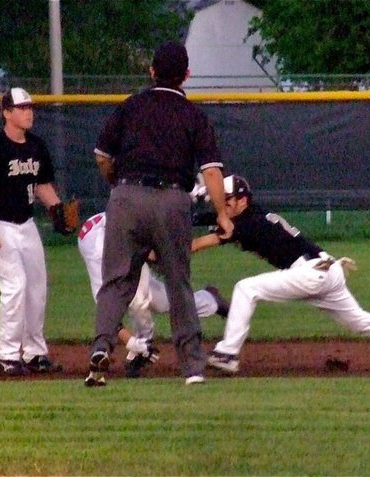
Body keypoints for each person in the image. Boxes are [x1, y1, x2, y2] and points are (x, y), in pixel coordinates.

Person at [193, 175, 370, 374]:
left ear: (242, 201)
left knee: (245, 289)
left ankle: (227, 354)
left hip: (310, 273)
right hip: (329, 268)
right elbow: (212, 215)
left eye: (227, 202)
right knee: (360, 322)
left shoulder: (245, 224)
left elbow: (197, 244)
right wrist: (200, 198)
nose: (222, 207)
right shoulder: (252, 213)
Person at [86, 41, 233, 387]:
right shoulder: (193, 114)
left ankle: (101, 350)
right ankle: (193, 368)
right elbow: (211, 171)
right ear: (187, 75)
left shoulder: (131, 106)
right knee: (178, 284)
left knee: (116, 283)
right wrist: (223, 214)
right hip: (171, 200)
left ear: (151, 71)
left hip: (126, 196)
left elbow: (102, 156)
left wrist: (117, 186)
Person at [0, 87, 66, 376]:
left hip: (26, 225)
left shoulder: (36, 146)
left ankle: (35, 353)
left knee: (37, 287)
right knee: (15, 286)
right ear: (6, 112)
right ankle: (7, 355)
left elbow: (41, 186)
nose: (29, 112)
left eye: (30, 107)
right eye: (22, 108)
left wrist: (57, 209)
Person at [77, 210, 229, 378]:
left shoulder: (132, 232)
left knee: (140, 299)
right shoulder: (100, 258)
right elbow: (106, 313)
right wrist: (132, 343)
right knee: (159, 302)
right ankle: (210, 301)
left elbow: (155, 245)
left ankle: (144, 343)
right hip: (116, 242)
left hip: (126, 233)